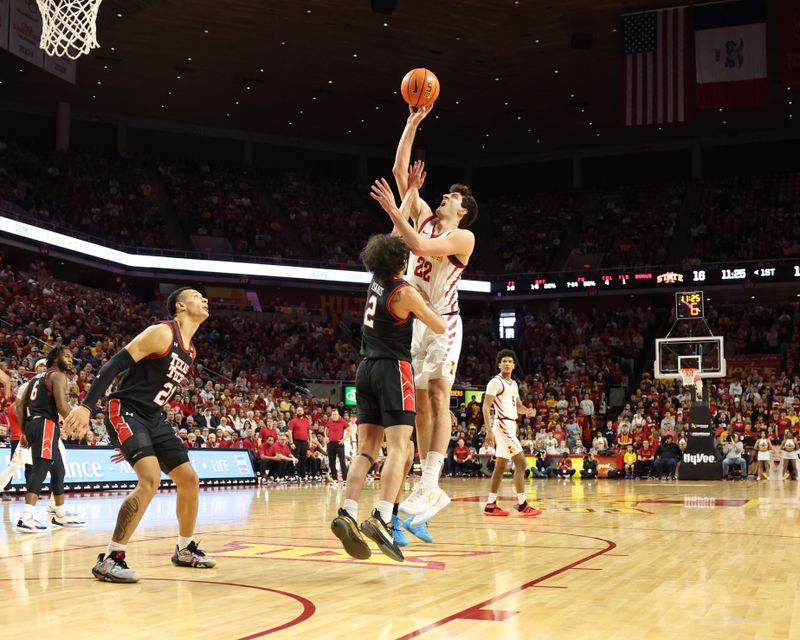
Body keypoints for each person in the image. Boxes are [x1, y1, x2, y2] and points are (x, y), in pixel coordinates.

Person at [62, 287, 215, 583]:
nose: (205, 300)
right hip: (126, 410)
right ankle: (110, 558)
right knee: (150, 479)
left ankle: (184, 549)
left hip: (152, 419)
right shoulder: (162, 333)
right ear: (181, 306)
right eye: (198, 296)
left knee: (189, 480)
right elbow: (114, 365)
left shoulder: (191, 350)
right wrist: (86, 407)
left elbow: (157, 390)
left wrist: (133, 440)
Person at [374, 115, 479, 528]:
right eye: (447, 192)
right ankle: (422, 481)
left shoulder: (462, 238)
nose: (446, 196)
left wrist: (397, 210)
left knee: (438, 394)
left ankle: (433, 480)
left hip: (445, 322)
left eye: (453, 196)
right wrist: (412, 120)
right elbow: (400, 170)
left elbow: (416, 243)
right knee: (416, 405)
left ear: (463, 209)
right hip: (414, 324)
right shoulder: (423, 214)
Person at [330, 233, 445, 562]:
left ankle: (347, 511)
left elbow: (393, 239)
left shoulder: (375, 281)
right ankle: (381, 516)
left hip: (365, 369)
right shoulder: (404, 292)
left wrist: (405, 196)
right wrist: (427, 302)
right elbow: (438, 325)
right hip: (394, 369)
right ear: (402, 262)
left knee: (366, 450)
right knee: (402, 448)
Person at [14, 347, 83, 532]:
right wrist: (79, 424)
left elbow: (19, 406)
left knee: (58, 469)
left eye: (71, 357)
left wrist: (24, 430)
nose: (71, 360)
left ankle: (59, 515)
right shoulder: (58, 376)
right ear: (54, 358)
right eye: (67, 356)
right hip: (46, 425)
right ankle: (26, 518)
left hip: (35, 424)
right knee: (40, 470)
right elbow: (62, 405)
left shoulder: (34, 379)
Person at [481, 349, 542, 517]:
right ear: (499, 364)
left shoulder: (514, 384)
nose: (507, 363)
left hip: (511, 425)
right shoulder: (495, 382)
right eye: (504, 361)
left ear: (514, 365)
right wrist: (488, 431)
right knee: (521, 463)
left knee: (500, 466)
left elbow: (518, 406)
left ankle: (490, 505)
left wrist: (527, 411)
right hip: (502, 425)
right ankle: (522, 504)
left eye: (510, 361)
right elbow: (486, 407)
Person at [0, 358, 46, 499]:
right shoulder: (14, 407)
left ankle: (30, 491)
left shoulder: (22, 406)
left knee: (29, 467)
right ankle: (5, 490)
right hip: (18, 438)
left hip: (26, 437)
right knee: (14, 467)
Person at [324, 408, 349, 483]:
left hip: (339, 444)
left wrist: (344, 439)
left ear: (338, 415)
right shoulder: (330, 421)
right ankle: (334, 479)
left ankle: (345, 479)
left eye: (335, 414)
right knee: (331, 462)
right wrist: (326, 437)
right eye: (333, 414)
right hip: (330, 444)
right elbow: (325, 429)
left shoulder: (342, 422)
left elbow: (350, 430)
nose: (334, 416)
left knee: (342, 462)